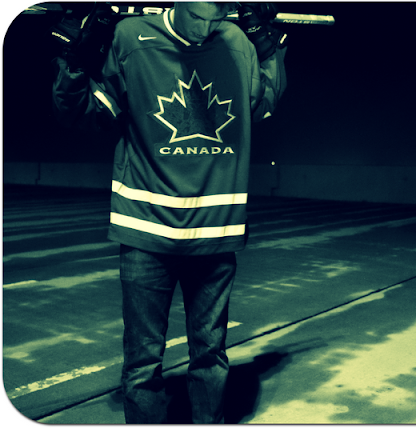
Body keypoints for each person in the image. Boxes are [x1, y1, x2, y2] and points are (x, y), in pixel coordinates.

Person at [51, 2, 287, 423]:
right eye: (198, 16)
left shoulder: (236, 43)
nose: (205, 28)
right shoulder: (130, 38)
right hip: (145, 231)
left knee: (211, 357)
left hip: (215, 233)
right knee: (142, 365)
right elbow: (85, 114)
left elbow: (264, 104)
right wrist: (72, 61)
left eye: (217, 17)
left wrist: (271, 52)